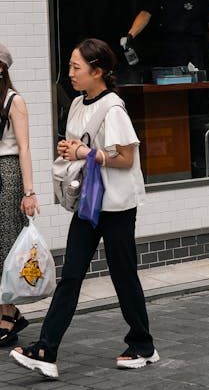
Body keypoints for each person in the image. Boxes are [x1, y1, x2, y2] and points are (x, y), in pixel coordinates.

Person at [10, 38, 159, 379]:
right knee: (72, 275)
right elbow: (79, 146)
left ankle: (143, 345)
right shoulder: (77, 103)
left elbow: (126, 158)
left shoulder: (114, 108)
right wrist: (69, 148)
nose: (71, 73)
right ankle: (46, 348)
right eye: (70, 67)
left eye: (77, 68)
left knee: (123, 275)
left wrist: (85, 154)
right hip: (88, 202)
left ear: (99, 71)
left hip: (117, 206)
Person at [0, 43, 39, 348]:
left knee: (7, 244)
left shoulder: (15, 101)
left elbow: (24, 148)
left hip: (8, 175)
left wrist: (29, 192)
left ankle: (9, 311)